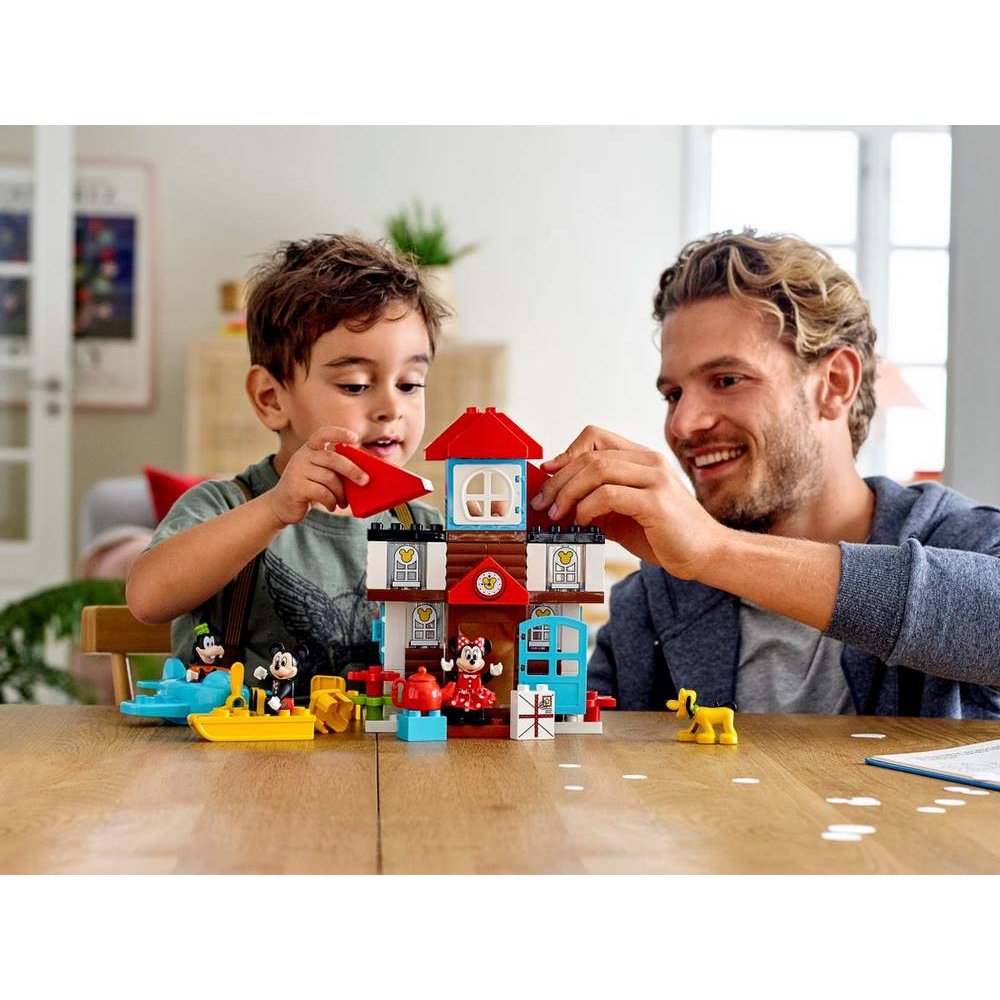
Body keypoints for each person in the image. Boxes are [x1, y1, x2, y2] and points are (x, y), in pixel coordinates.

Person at [532, 229, 1000, 718]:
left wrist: (715, 550)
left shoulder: (963, 541)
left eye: (727, 380)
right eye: (673, 395)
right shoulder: (652, 601)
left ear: (835, 383)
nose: (683, 424)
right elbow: (572, 745)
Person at [127, 234, 447, 689]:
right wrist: (274, 509)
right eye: (356, 385)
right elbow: (147, 598)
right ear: (271, 399)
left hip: (383, 736)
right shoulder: (225, 505)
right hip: (241, 735)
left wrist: (518, 532)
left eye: (410, 384)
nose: (391, 408)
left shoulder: (425, 527)